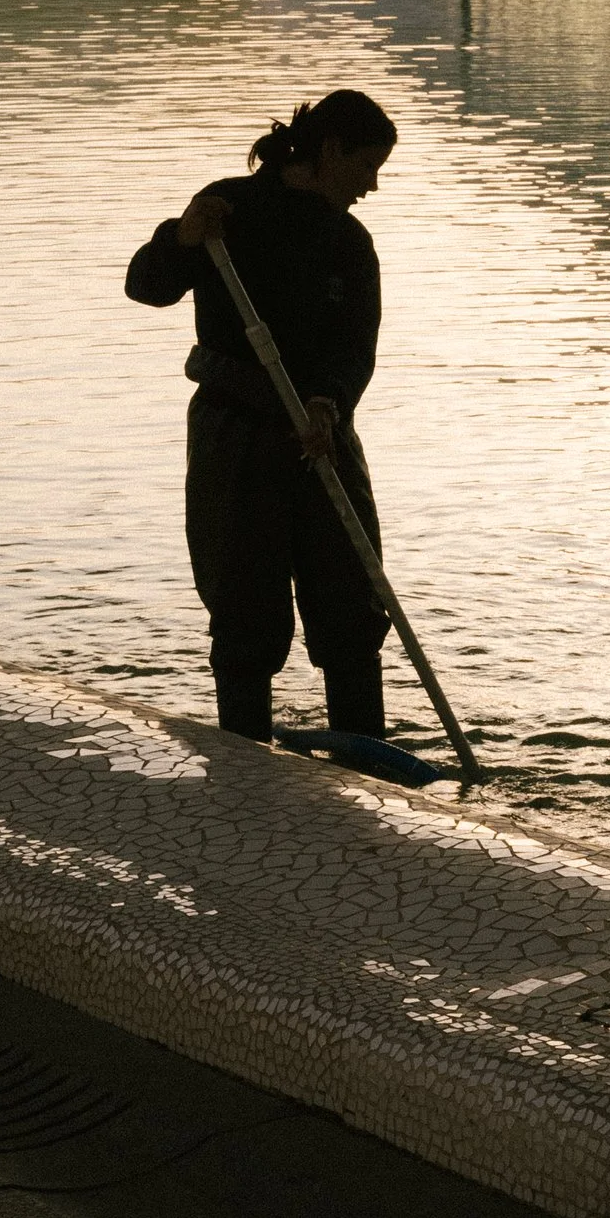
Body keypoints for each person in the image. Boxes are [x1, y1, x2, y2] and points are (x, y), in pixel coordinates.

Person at [126, 88, 400, 743]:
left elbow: (353, 349)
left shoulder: (351, 245)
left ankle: (363, 762)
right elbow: (146, 283)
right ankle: (244, 766)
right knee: (246, 614)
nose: (373, 185)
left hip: (323, 432)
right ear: (330, 151)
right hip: (237, 437)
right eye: (366, 165)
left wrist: (328, 403)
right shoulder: (230, 209)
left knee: (351, 611)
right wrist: (181, 237)